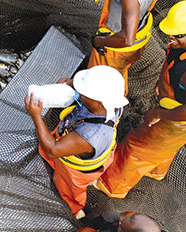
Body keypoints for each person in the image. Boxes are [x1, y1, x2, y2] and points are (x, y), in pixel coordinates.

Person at [99, 0, 186, 197]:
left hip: (185, 117)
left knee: (137, 147)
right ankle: (156, 170)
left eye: (178, 35)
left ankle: (112, 186)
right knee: (164, 145)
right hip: (178, 101)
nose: (171, 38)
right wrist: (162, 84)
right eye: (170, 33)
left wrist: (158, 114)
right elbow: (175, 64)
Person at [25, 66, 129, 220]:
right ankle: (55, 167)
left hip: (75, 171)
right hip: (83, 145)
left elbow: (52, 149)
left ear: (99, 101)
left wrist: (36, 116)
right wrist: (72, 83)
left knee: (69, 190)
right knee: (53, 156)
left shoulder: (91, 135)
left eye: (83, 92)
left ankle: (75, 210)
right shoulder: (112, 101)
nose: (79, 93)